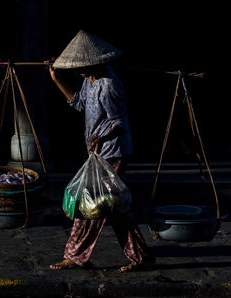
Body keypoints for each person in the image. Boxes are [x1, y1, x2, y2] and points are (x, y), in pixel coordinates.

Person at [46, 30, 155, 272]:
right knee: (114, 209)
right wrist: (56, 79)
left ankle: (75, 256)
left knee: (91, 205)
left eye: (86, 66)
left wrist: (100, 139)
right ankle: (141, 257)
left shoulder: (108, 85)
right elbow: (78, 104)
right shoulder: (90, 80)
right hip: (99, 153)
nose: (81, 71)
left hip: (113, 152)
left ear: (99, 62)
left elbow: (119, 124)